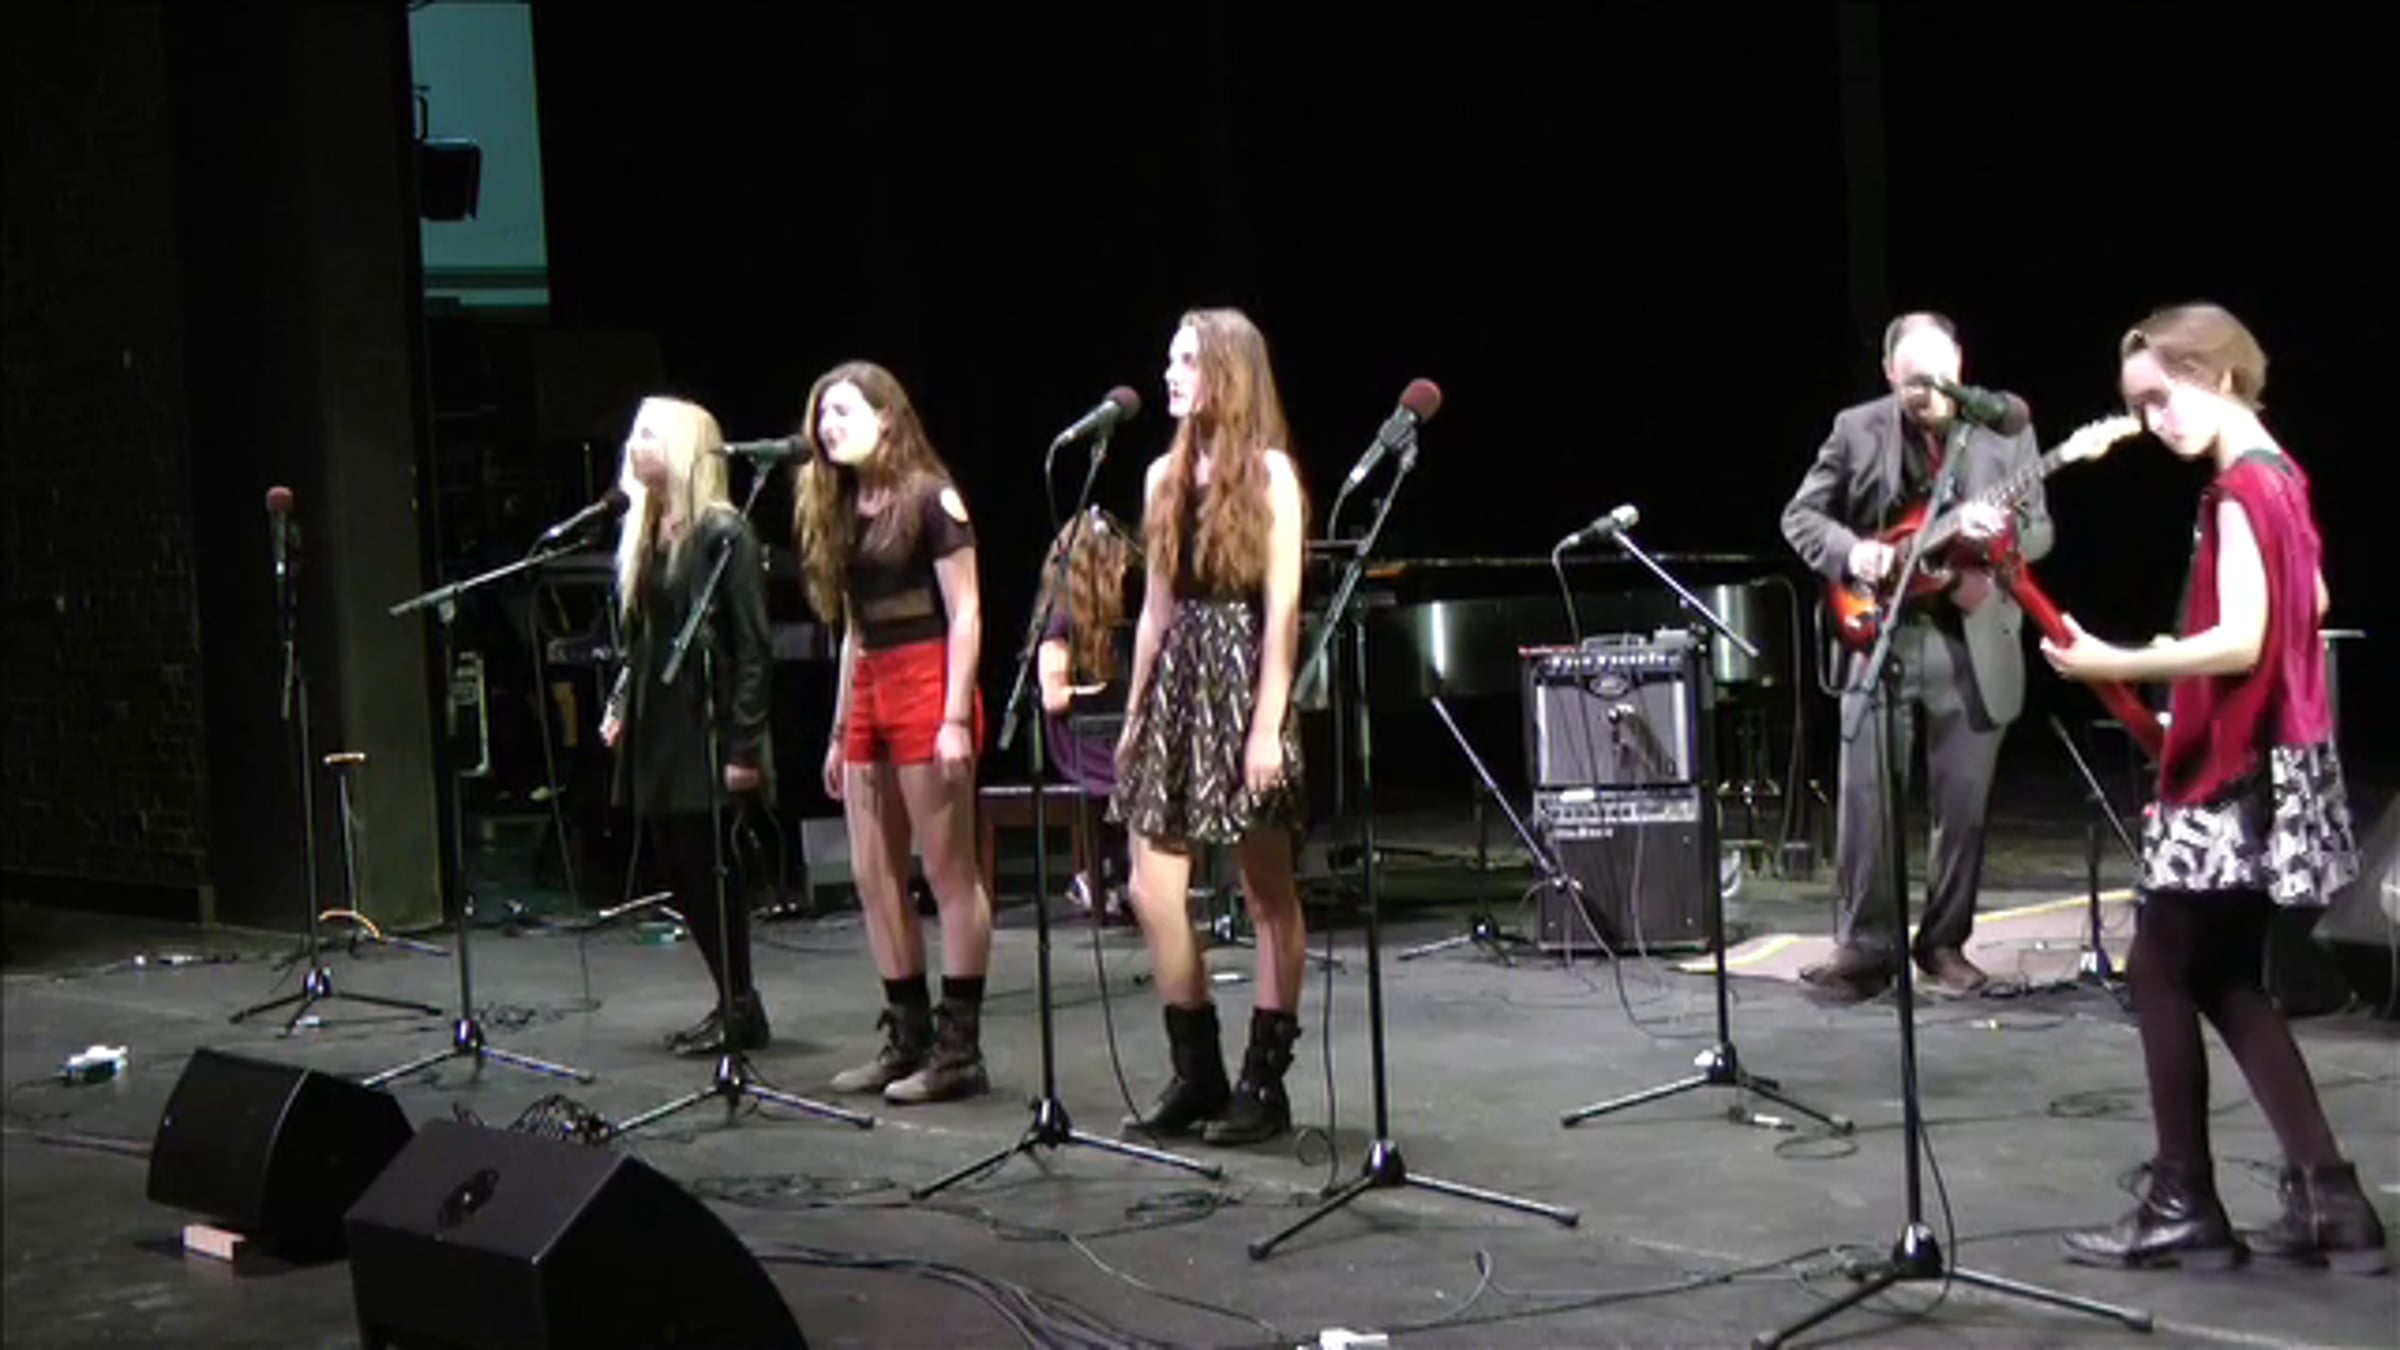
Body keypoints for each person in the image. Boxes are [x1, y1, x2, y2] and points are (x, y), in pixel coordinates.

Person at [2045, 303, 2381, 1274]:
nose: (2154, 423)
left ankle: (2182, 1198)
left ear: (2219, 375)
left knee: (2159, 968)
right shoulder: (2283, 476)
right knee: (2224, 975)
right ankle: (2330, 1200)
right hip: (2276, 757)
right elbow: (2312, 601)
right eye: (2139, 407)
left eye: (2163, 397)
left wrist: (2120, 659)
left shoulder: (2238, 489)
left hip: (2232, 765)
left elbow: (2243, 637)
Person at [1780, 311, 2052, 1001]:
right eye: (1913, 384)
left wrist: (2001, 540)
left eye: (1939, 379)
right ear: (1889, 375)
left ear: (1961, 365)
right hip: (1879, 632)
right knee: (1866, 801)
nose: (1928, 395)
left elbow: (2041, 531)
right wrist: (1853, 553)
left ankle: (1943, 943)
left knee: (1963, 807)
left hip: (1970, 635)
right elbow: (1800, 516)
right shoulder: (1855, 429)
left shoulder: (2005, 430)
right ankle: (1865, 947)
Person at [1111, 307, 1310, 1147]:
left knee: (1265, 890)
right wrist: (1133, 714)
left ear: (1228, 371)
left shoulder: (1271, 476)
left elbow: (1284, 611)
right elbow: (1155, 609)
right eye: (1170, 359)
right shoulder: (1163, 473)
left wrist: (1267, 725)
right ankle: (1198, 1072)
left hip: (1243, 678)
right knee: (1150, 886)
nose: (1170, 373)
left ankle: (1264, 1082)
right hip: (1178, 681)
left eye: (1187, 360)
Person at [793, 361, 994, 1104]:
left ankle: (958, 1050)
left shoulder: (931, 497)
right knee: (872, 873)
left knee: (947, 870)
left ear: (886, 415)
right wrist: (838, 727)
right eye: (822, 415)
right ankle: (906, 1038)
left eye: (843, 411)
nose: (828, 427)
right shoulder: (842, 506)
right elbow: (852, 629)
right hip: (872, 682)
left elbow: (966, 612)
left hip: (926, 677)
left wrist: (953, 716)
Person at [601, 395, 776, 1056]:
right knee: (677, 864)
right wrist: (621, 702)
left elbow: (753, 648)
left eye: (649, 434)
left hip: (706, 723)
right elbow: (641, 639)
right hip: (660, 724)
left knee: (709, 866)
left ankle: (741, 1003)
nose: (634, 446)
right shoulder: (648, 530)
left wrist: (744, 745)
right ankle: (733, 999)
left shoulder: (723, 534)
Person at [1036, 507, 1139, 922]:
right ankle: (1108, 876)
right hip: (1076, 738)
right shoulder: (1060, 622)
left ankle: (1123, 874)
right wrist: (1100, 691)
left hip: (1103, 730)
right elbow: (1054, 697)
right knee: (1132, 773)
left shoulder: (1112, 622)